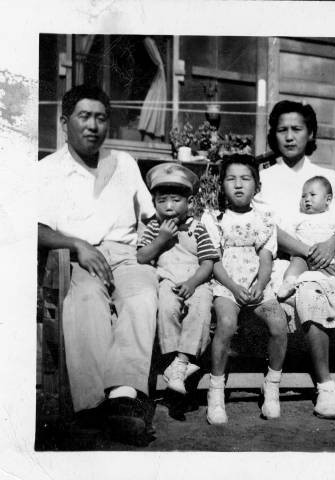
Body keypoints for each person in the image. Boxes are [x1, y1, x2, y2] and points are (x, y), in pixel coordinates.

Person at [37, 84, 158, 445]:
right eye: (84, 117)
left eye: (101, 118)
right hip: (78, 256)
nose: (93, 126)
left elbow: (150, 217)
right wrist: (77, 244)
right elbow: (35, 228)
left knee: (141, 297)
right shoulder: (47, 171)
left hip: (126, 252)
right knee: (86, 301)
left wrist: (150, 247)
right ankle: (91, 406)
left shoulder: (124, 163)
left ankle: (122, 399)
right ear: (65, 122)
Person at [254, 100, 335, 419]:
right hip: (285, 264)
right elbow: (268, 229)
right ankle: (325, 388)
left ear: (310, 133)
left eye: (297, 129)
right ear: (273, 135)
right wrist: (308, 251)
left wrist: (330, 242)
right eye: (282, 130)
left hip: (329, 259)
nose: (290, 137)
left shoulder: (327, 176)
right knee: (311, 296)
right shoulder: (266, 178)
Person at [202, 154, 288, 425]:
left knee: (279, 323)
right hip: (226, 284)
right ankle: (216, 391)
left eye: (245, 179)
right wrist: (234, 287)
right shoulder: (214, 218)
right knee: (226, 323)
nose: (238, 185)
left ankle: (272, 384)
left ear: (257, 186)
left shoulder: (264, 219)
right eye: (231, 179)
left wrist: (260, 285)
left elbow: (266, 258)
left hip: (257, 286)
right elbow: (212, 260)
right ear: (221, 186)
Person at [137, 163, 219, 395]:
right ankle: (175, 362)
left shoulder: (198, 228)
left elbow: (208, 263)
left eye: (175, 200)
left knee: (201, 308)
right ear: (154, 204)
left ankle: (181, 362)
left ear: (190, 203)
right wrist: (162, 239)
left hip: (196, 281)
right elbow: (142, 256)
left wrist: (193, 283)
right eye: (162, 201)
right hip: (168, 281)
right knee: (166, 307)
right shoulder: (155, 227)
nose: (169, 206)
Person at [277, 175, 335, 302]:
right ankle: (289, 282)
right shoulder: (298, 217)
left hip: (327, 258)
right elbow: (288, 233)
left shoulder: (332, 217)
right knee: (296, 264)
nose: (307, 199)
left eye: (312, 195)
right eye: (304, 196)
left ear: (328, 200)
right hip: (303, 256)